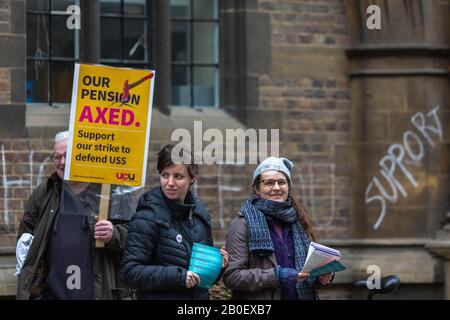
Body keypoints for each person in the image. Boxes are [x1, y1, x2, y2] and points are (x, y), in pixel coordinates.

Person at [16, 131, 129, 300]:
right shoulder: (45, 192)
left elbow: (137, 237)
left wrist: (114, 234)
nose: (62, 162)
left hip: (97, 293)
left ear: (83, 156)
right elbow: (26, 238)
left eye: (68, 156)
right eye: (57, 157)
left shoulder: (111, 192)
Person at [120, 144, 228, 300]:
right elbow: (130, 272)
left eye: (178, 176)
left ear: (192, 178)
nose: (170, 182)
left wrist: (217, 267)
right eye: (165, 175)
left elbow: (200, 280)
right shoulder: (146, 217)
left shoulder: (200, 216)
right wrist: (178, 276)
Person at [223, 156, 333, 300]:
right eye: (268, 183)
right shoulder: (242, 224)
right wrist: (276, 276)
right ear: (257, 188)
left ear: (288, 187)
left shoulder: (298, 220)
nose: (276, 187)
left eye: (282, 182)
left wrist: (322, 277)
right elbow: (232, 277)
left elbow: (308, 270)